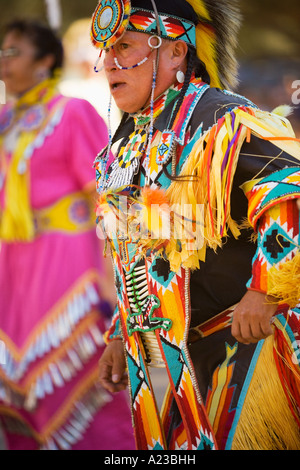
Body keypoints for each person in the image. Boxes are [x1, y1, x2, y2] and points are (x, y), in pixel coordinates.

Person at [93, 0, 300, 451]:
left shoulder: (220, 117)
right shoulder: (129, 138)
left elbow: (288, 187)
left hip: (247, 342)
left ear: (174, 53)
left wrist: (266, 290)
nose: (107, 62)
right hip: (175, 356)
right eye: (104, 50)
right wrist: (118, 331)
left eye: (123, 46)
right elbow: (136, 246)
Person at [0, 19, 135, 450]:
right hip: (12, 265)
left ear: (44, 61)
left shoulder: (72, 112)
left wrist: (115, 277)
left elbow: (109, 199)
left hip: (68, 261)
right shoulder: (4, 121)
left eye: (13, 51)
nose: (4, 61)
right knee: (15, 385)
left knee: (76, 366)